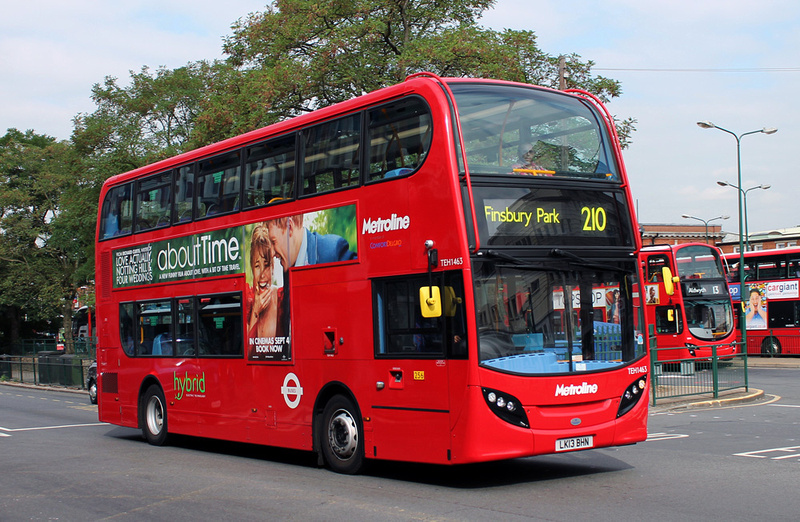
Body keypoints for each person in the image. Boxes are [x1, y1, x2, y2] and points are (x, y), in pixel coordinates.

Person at [246, 222, 283, 359]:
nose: (262, 274)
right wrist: (256, 311)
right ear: (251, 268)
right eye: (257, 266)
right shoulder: (248, 304)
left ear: (273, 267)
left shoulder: (282, 299)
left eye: (266, 265)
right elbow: (246, 357)